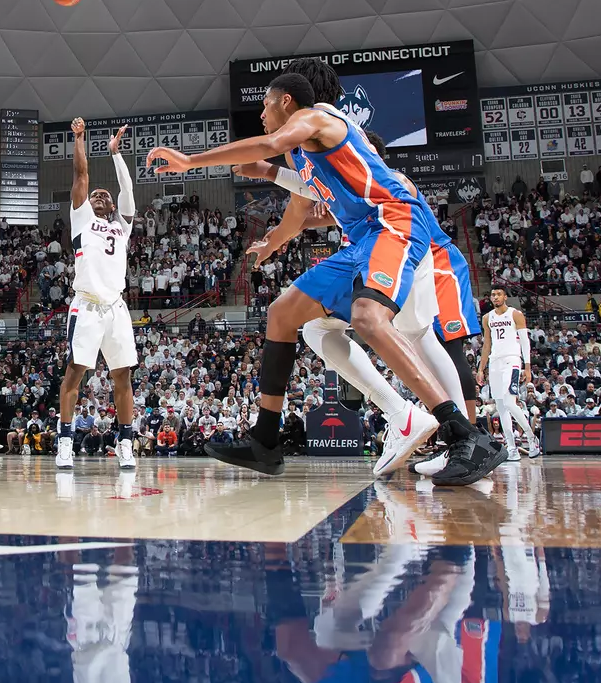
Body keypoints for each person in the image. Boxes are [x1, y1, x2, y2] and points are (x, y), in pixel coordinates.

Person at [151, 62, 498, 485]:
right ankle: (265, 441)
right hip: (360, 240)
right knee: (283, 313)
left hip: (393, 224)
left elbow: (270, 142)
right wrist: (270, 240)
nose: (261, 113)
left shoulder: (318, 117)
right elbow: (297, 212)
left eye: (265, 104)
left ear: (286, 101)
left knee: (374, 319)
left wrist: (190, 161)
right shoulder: (304, 157)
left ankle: (463, 433)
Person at [55, 118, 138, 473]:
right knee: (75, 373)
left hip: (116, 307)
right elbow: (81, 177)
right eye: (95, 196)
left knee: (123, 377)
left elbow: (127, 190)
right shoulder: (82, 220)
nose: (100, 195)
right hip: (86, 305)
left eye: (105, 196)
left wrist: (116, 154)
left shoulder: (123, 225)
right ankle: (65, 442)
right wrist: (80, 139)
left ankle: (124, 442)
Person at [477, 286, 540, 457]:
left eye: (498, 294)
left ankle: (531, 436)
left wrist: (527, 367)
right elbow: (487, 344)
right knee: (501, 406)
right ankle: (511, 448)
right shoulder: (486, 318)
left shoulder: (515, 314)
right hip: (495, 361)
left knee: (510, 402)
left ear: (505, 297)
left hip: (512, 359)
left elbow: (525, 341)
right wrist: (481, 368)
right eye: (493, 294)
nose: (495, 297)